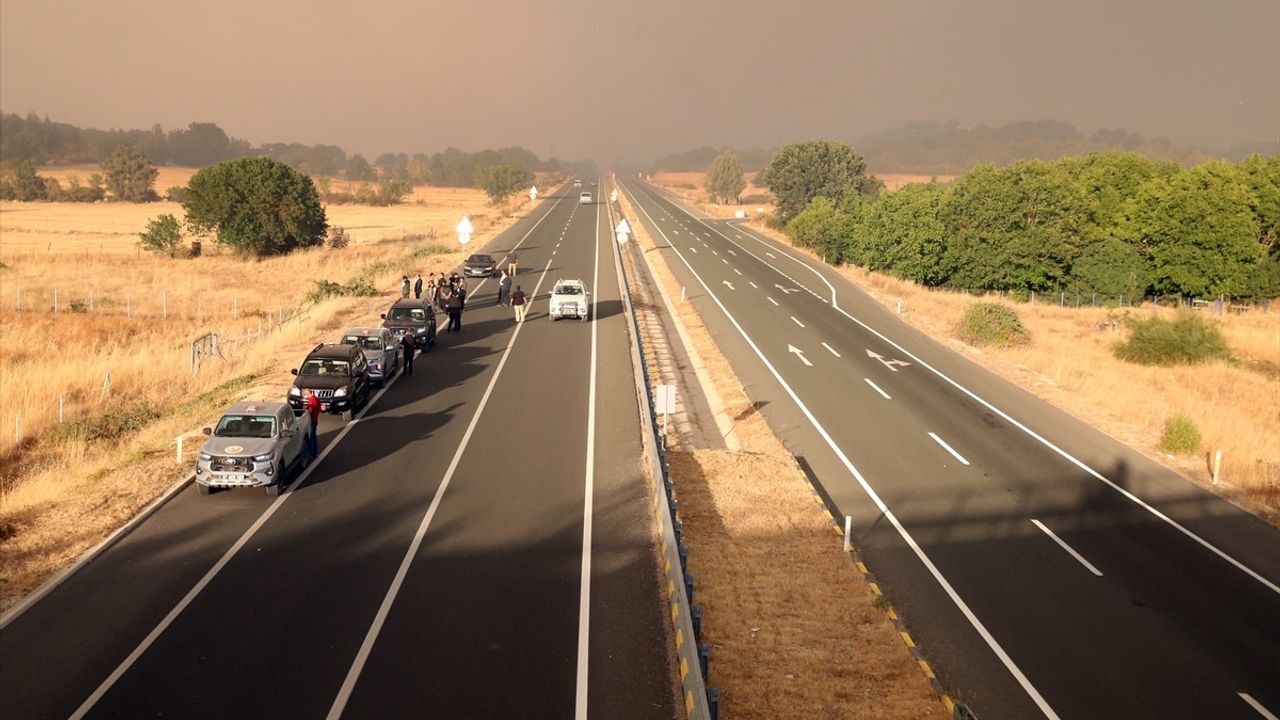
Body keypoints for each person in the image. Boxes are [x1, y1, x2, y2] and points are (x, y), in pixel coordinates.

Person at [303, 389, 321, 457]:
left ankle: (312, 452)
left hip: (312, 420)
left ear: (307, 393)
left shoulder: (311, 400)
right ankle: (314, 452)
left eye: (305, 394)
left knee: (311, 437)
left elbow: (310, 410)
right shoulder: (316, 399)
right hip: (315, 419)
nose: (305, 396)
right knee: (314, 436)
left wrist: (306, 409)